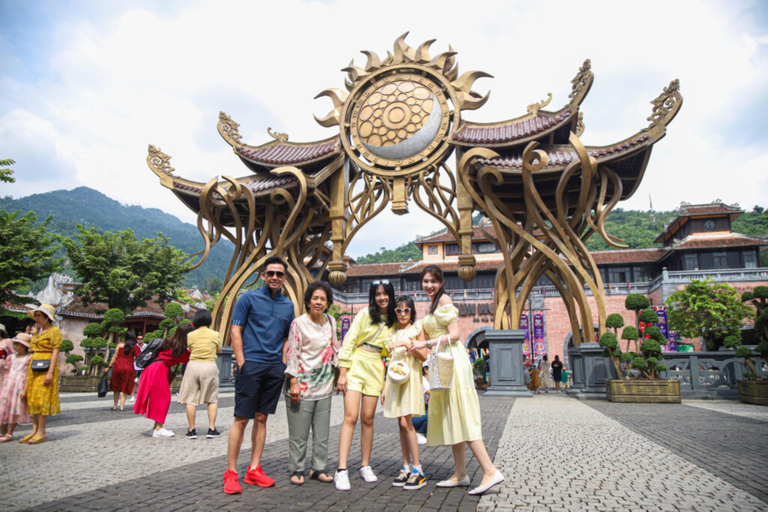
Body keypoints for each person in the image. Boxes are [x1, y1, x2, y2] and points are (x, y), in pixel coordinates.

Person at [408, 265, 504, 495]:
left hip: (453, 361)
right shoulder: (433, 304)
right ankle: (460, 473)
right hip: (442, 362)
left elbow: (455, 335)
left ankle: (490, 471)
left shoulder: (445, 301)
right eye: (425, 281)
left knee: (462, 415)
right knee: (452, 416)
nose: (429, 285)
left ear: (441, 282)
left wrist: (425, 343)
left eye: (433, 281)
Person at [223, 256, 295, 495]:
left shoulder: (288, 305)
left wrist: (283, 363)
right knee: (241, 418)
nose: (275, 277)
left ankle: (254, 469)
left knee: (262, 418)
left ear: (285, 278)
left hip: (274, 367)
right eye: (271, 273)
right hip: (251, 365)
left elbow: (287, 337)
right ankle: (231, 471)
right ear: (263, 275)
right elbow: (236, 330)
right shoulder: (248, 298)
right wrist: (242, 363)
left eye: (279, 274)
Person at [334, 280, 396, 491]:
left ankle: (365, 465)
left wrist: (386, 380)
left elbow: (391, 354)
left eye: (385, 294)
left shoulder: (394, 320)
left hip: (376, 366)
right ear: (373, 296)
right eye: (377, 294)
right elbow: (349, 341)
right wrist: (343, 372)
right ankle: (341, 470)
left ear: (390, 295)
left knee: (368, 418)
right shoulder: (364, 314)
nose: (382, 298)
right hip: (356, 362)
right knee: (350, 416)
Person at [284, 281, 340, 485]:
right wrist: (293, 382)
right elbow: (292, 353)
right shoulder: (298, 324)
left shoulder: (331, 322)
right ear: (308, 301)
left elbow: (335, 349)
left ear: (328, 303)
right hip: (302, 385)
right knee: (299, 432)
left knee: (322, 431)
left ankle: (318, 468)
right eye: (315, 298)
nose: (318, 302)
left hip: (324, 385)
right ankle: (297, 468)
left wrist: (341, 374)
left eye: (323, 299)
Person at [383, 296, 428, 490]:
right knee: (400, 424)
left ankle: (418, 469)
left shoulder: (417, 328)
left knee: (406, 422)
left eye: (406, 310)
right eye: (399, 311)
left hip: (410, 380)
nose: (402, 314)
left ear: (412, 312)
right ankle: (406, 466)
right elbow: (388, 362)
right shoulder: (391, 331)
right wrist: (384, 386)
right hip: (395, 380)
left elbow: (423, 356)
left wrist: (405, 344)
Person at [132, 323, 193, 437]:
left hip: (153, 368)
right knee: (163, 398)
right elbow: (189, 358)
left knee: (159, 398)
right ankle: (158, 429)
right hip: (158, 370)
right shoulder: (180, 348)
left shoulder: (168, 342)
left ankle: (157, 427)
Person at [21, 304, 62, 444]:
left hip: (46, 365)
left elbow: (55, 352)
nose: (37, 318)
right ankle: (34, 430)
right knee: (33, 397)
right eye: (36, 315)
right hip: (34, 365)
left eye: (39, 315)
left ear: (47, 317)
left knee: (42, 397)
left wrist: (50, 372)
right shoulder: (38, 333)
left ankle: (41, 431)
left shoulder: (54, 331)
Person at [179, 309, 222, 440]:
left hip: (193, 365)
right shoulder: (215, 334)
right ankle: (211, 428)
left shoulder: (191, 335)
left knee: (191, 399)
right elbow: (219, 349)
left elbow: (190, 348)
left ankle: (192, 430)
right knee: (212, 398)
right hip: (209, 365)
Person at [0, 334, 32, 442]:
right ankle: (3, 432)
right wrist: (4, 383)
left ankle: (9, 433)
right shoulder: (11, 357)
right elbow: (7, 371)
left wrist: (25, 389)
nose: (16, 346)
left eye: (18, 344)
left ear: (24, 346)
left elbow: (29, 375)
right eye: (15, 344)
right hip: (9, 383)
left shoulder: (29, 358)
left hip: (19, 384)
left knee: (14, 409)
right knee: (3, 408)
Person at [104, 331, 141, 411]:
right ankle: (121, 406)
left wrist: (109, 367)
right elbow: (139, 357)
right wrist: (132, 359)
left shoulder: (120, 345)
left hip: (118, 366)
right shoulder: (135, 347)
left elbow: (115, 356)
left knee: (116, 387)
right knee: (125, 387)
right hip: (128, 367)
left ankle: (114, 405)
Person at [411, 364, 430, 445]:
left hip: (423, 413)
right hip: (416, 415)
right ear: (426, 369)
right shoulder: (423, 380)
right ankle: (420, 432)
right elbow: (431, 393)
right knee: (433, 414)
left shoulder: (430, 381)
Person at [130, 334, 147, 403]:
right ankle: (132, 396)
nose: (140, 340)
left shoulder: (146, 346)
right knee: (133, 381)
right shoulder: (134, 346)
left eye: (141, 339)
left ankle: (140, 396)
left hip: (143, 366)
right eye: (138, 339)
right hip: (135, 365)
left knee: (142, 382)